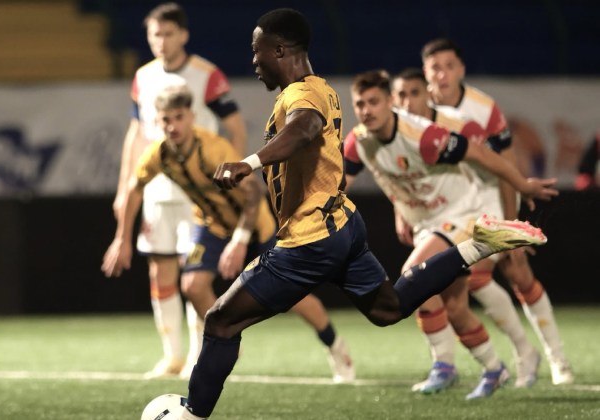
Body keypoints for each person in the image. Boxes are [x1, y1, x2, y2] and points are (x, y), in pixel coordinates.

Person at [177, 9, 554, 419]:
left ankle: (192, 414)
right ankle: (476, 246)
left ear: (280, 50)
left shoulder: (302, 96)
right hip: (342, 225)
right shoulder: (321, 88)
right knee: (387, 308)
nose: (253, 61)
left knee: (220, 322)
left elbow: (303, 129)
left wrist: (247, 163)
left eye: (257, 52)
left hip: (309, 240)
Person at [103, 85, 354, 383]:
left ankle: (335, 346)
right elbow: (134, 186)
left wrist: (239, 240)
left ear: (191, 117)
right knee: (193, 285)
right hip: (212, 225)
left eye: (178, 117)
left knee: (293, 296)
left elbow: (252, 194)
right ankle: (227, 342)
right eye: (165, 120)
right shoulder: (158, 154)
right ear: (157, 122)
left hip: (255, 226)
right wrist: (122, 237)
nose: (172, 126)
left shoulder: (212, 149)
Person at [344, 69, 561, 398]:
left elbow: (484, 155)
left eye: (374, 102)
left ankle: (444, 365)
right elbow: (340, 188)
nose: (366, 110)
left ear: (390, 102)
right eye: (360, 104)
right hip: (426, 223)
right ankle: (494, 368)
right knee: (456, 308)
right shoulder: (358, 141)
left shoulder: (425, 135)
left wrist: (522, 184)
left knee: (413, 276)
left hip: (461, 215)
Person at [421, 38, 574, 386]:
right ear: (426, 73)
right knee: (466, 280)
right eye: (434, 68)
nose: (441, 74)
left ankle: (556, 358)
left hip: (492, 193)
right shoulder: (419, 109)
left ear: (461, 69)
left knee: (516, 270)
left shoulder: (482, 109)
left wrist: (511, 223)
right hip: (452, 203)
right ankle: (524, 353)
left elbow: (506, 165)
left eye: (448, 66)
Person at [111, 2, 247, 379]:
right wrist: (125, 187)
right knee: (161, 274)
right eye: (155, 34)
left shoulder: (205, 75)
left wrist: (231, 175)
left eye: (169, 33)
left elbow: (234, 126)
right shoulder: (143, 77)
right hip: (156, 192)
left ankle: (198, 355)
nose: (162, 41)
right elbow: (137, 133)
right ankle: (171, 355)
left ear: (183, 35)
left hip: (198, 196)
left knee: (195, 274)